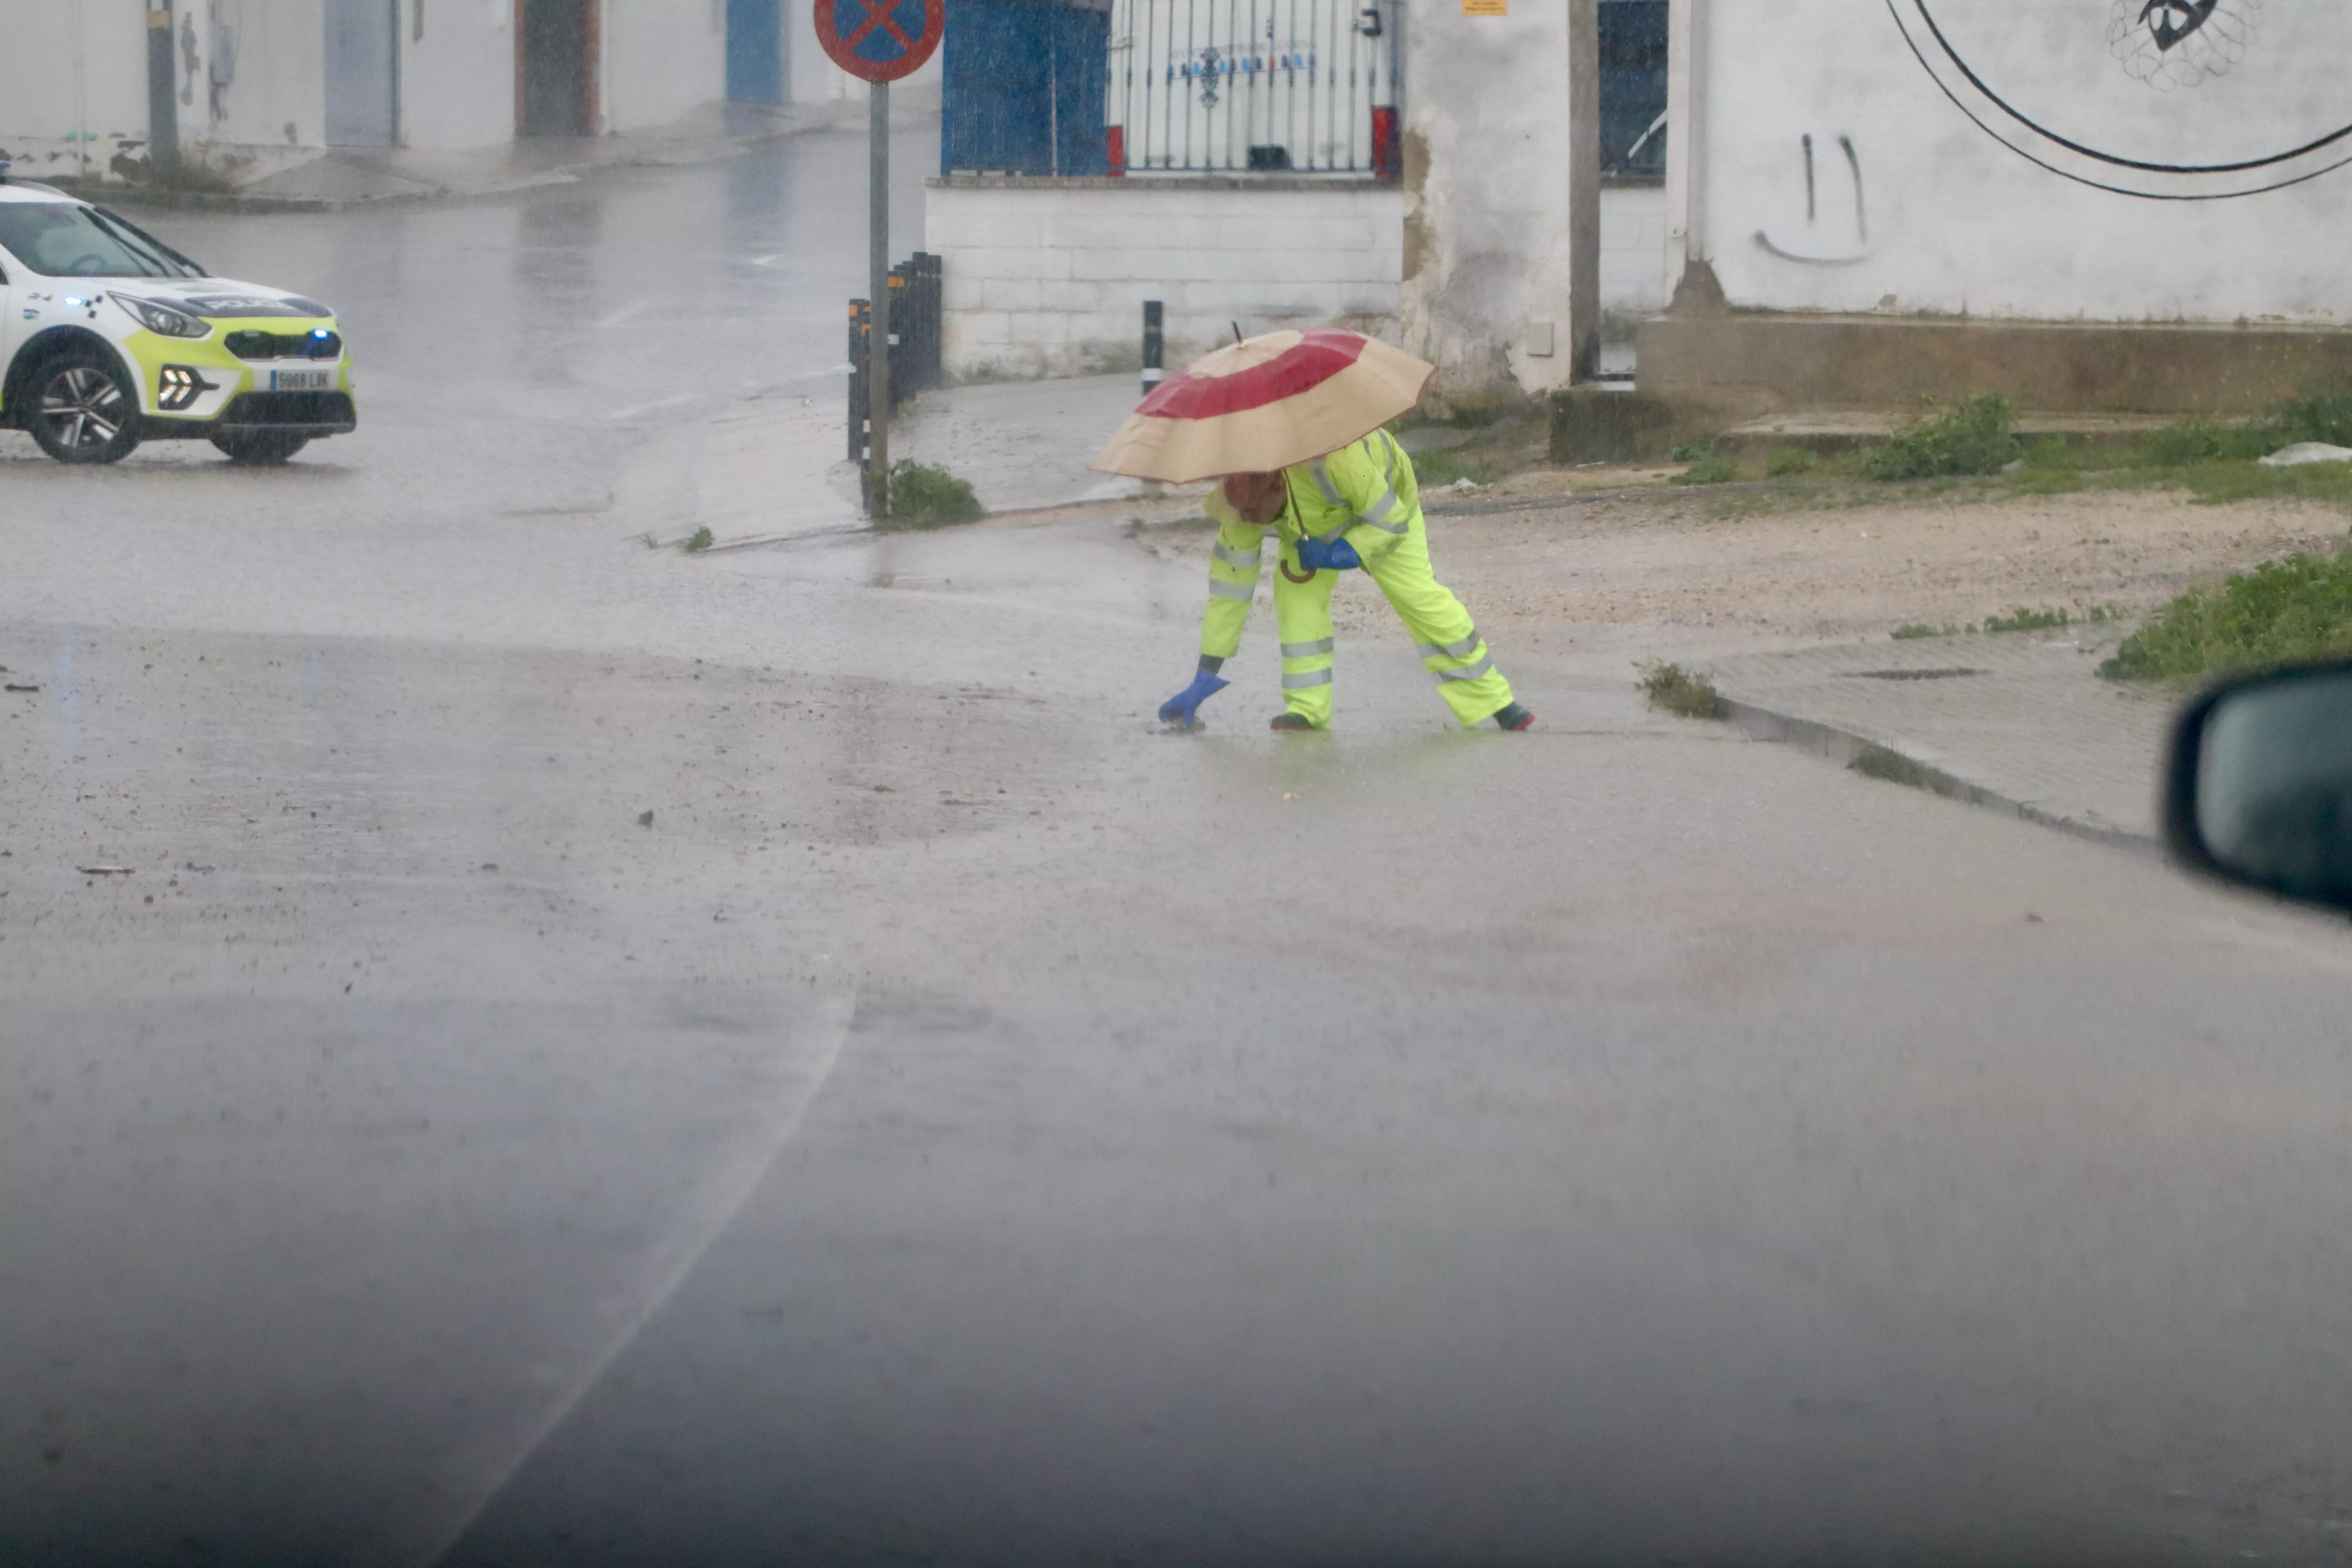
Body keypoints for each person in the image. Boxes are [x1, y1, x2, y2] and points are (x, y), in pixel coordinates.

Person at [1159, 426, 1534, 732]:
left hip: (1387, 509)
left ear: (1276, 487)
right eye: (1244, 511)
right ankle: (1307, 710)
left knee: (1419, 598)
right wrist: (1206, 674)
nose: (1251, 519)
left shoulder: (1339, 457)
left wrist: (1345, 553)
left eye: (1255, 510)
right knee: (1296, 604)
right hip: (1306, 530)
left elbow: (1391, 521)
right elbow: (1230, 590)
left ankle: (1498, 703)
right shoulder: (1244, 506)